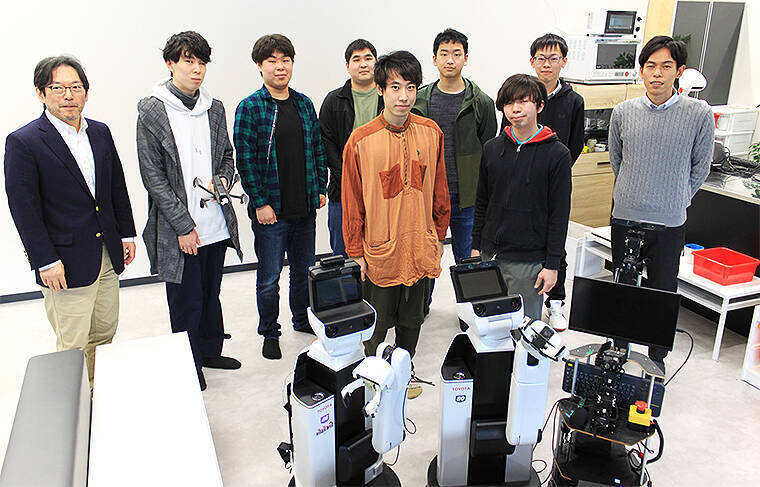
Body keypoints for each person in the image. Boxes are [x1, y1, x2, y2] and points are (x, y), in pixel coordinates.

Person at [5, 56, 137, 387]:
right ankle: (75, 406)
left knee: (104, 332)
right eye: (57, 87)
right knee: (73, 343)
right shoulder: (24, 142)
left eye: (75, 87)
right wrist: (45, 261)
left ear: (86, 93)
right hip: (63, 262)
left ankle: (96, 393)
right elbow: (24, 209)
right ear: (40, 93)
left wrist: (127, 234)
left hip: (107, 253)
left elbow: (116, 187)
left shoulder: (100, 132)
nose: (68, 95)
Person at [137, 31, 243, 391]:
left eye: (201, 63)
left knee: (211, 293)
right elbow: (153, 177)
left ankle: (210, 351)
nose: (196, 69)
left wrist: (224, 179)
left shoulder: (214, 107)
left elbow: (226, 155)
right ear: (170, 63)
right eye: (188, 61)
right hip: (179, 227)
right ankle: (188, 362)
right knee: (186, 301)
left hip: (214, 220)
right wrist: (183, 225)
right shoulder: (152, 110)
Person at [342, 51, 450, 398]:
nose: (404, 96)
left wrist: (438, 236)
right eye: (395, 87)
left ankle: (405, 368)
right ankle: (374, 373)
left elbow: (440, 190)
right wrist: (355, 251)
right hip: (381, 249)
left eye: (410, 87)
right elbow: (352, 202)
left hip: (419, 245)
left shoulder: (431, 132)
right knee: (376, 323)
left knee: (412, 319)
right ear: (380, 89)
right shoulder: (361, 140)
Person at [609, 35, 713, 370]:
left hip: (669, 221)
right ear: (641, 70)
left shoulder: (698, 114)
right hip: (625, 215)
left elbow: (701, 166)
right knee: (623, 285)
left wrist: (677, 197)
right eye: (651, 66)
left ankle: (656, 356)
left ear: (679, 71)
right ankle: (618, 348)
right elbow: (617, 160)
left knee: (662, 290)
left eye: (666, 66)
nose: (657, 73)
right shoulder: (623, 112)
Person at [234, 34, 328, 360]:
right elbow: (245, 160)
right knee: (269, 278)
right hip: (271, 211)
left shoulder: (303, 104)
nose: (280, 67)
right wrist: (260, 202)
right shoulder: (250, 107)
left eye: (285, 60)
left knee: (303, 271)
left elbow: (317, 148)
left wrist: (320, 187)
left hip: (304, 209)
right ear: (259, 66)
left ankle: (301, 319)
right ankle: (270, 332)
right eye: (272, 61)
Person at [501, 33, 585, 331]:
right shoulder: (518, 96)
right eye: (541, 58)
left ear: (564, 61)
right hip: (518, 184)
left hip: (553, 180)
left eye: (553, 58)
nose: (547, 64)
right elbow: (505, 140)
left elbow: (576, 143)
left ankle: (556, 303)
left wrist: (553, 171)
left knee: (555, 239)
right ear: (532, 61)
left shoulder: (573, 101)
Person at [471, 74, 571, 322]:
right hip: (490, 253)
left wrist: (552, 265)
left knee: (524, 328)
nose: (515, 109)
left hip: (528, 259)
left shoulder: (557, 154)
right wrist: (476, 246)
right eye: (509, 103)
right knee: (489, 325)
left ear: (540, 106)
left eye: (523, 101)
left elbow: (559, 216)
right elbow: (482, 202)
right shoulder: (492, 148)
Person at [413, 28, 496, 318]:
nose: (450, 60)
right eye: (444, 54)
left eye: (457, 54)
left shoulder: (481, 102)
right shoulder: (419, 100)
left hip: (466, 197)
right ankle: (420, 308)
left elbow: (488, 149)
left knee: (469, 258)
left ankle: (471, 313)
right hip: (428, 196)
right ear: (434, 59)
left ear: (466, 59)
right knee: (426, 255)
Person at [319, 39, 384, 257]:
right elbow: (326, 144)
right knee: (344, 256)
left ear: (376, 63)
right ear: (348, 66)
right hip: (343, 192)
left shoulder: (389, 97)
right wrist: (348, 178)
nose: (363, 64)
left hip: (384, 191)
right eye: (356, 59)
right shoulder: (333, 101)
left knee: (381, 255)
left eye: (368, 58)